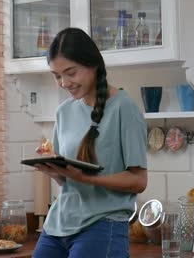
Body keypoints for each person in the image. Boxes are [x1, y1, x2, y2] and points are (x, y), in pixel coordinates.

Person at [32, 27, 148, 258]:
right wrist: (53, 169)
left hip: (103, 224)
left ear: (93, 64)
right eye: (57, 76)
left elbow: (138, 180)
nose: (64, 82)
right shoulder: (63, 112)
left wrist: (86, 177)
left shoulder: (125, 108)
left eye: (71, 73)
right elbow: (67, 183)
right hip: (58, 224)